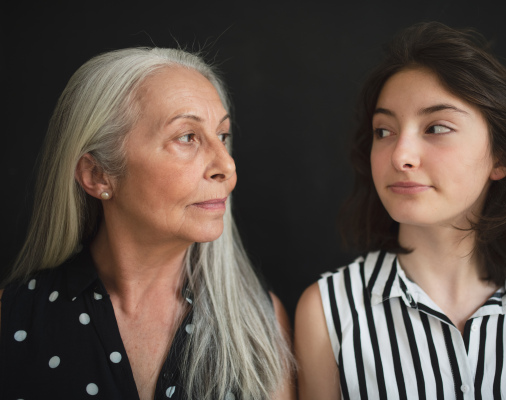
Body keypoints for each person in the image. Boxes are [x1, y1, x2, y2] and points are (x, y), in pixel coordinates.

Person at [295, 22, 506, 400]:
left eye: (436, 127)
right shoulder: (327, 311)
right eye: (384, 131)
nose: (400, 155)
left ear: (504, 156)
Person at [0, 48, 294, 400]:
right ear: (98, 175)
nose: (227, 167)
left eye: (223, 136)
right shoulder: (12, 320)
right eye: (187, 137)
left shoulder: (262, 322)